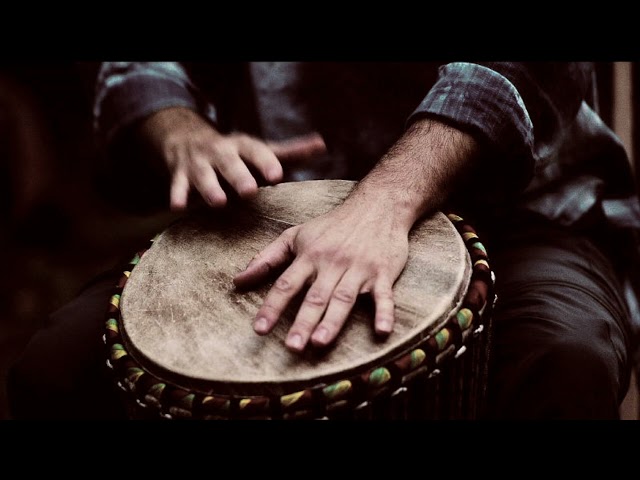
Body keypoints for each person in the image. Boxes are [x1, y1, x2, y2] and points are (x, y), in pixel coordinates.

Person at [6, 61, 640, 420]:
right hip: (270, 210)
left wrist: (384, 201)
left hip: (521, 211)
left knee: (566, 360)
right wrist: (182, 133)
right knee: (54, 369)